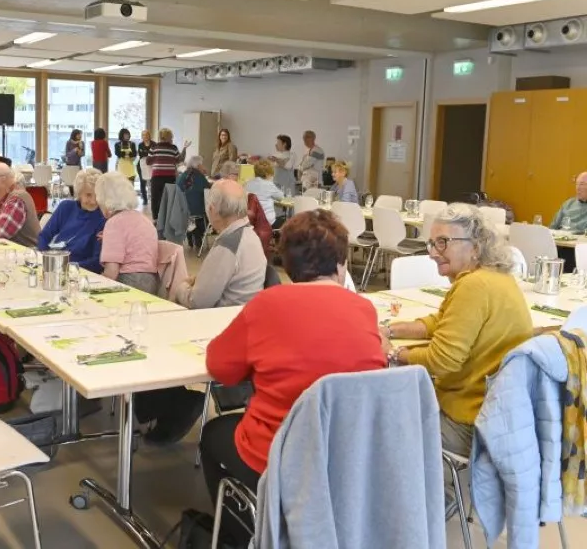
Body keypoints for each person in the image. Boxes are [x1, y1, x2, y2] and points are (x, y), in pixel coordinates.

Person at [200, 209, 386, 544]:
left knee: (213, 434)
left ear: (287, 263)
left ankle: (243, 535)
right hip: (347, 456)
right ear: (341, 263)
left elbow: (220, 368)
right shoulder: (364, 310)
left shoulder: (268, 304)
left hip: (278, 454)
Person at [381, 204, 533, 461]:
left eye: (443, 242)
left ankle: (415, 495)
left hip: (468, 423)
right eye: (431, 243)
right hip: (500, 417)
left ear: (475, 246)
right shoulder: (495, 278)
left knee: (379, 417)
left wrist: (394, 353)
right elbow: (442, 321)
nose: (433, 253)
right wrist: (390, 330)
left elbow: (443, 360)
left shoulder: (473, 287)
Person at [176, 179, 266, 309]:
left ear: (212, 209)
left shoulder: (228, 245)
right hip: (246, 312)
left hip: (225, 320)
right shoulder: (250, 235)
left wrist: (181, 286)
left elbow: (197, 302)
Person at [95, 172, 159, 294]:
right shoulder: (144, 219)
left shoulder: (113, 223)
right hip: (152, 283)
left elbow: (111, 273)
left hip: (128, 284)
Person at [37, 168, 105, 273]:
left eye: (97, 195)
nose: (93, 201)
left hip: (80, 273)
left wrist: (66, 267)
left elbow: (97, 262)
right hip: (53, 265)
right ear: (79, 194)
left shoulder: (103, 218)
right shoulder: (66, 207)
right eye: (88, 195)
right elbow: (44, 236)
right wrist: (46, 258)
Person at [147, 127, 190, 221]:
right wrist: (184, 148)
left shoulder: (153, 148)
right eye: (171, 137)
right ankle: (167, 219)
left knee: (155, 198)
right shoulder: (173, 148)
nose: (172, 138)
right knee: (169, 199)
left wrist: (158, 158)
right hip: (169, 177)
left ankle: (155, 219)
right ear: (167, 137)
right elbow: (180, 160)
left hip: (156, 177)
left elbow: (148, 161)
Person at [176, 155, 211, 248]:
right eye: (202, 164)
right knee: (208, 211)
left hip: (182, 210)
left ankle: (190, 232)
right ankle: (197, 234)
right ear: (198, 165)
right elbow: (208, 188)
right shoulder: (199, 176)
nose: (203, 166)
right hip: (196, 210)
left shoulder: (183, 175)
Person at [245, 160, 284, 227]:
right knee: (285, 220)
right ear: (268, 173)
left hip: (251, 222)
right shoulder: (268, 184)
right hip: (268, 222)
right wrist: (271, 181)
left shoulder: (248, 183)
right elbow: (281, 197)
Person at [136, 129, 154, 206]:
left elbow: (153, 154)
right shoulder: (140, 145)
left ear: (149, 135)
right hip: (142, 165)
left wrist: (146, 153)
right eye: (143, 135)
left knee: (152, 183)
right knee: (142, 182)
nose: (145, 136)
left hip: (152, 165)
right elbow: (141, 154)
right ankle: (145, 199)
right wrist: (148, 153)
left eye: (146, 135)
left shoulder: (154, 144)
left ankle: (153, 198)